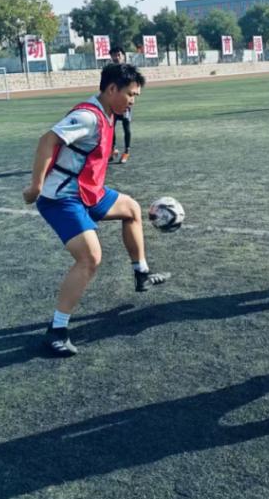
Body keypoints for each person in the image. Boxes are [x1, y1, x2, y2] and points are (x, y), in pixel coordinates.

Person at [22, 62, 170, 357]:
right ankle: (56, 331)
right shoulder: (87, 117)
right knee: (90, 258)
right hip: (62, 198)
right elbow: (47, 140)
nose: (133, 101)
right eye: (130, 94)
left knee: (131, 209)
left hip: (88, 192)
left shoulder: (108, 112)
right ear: (112, 89)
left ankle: (141, 273)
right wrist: (36, 186)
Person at [107, 46, 132, 163]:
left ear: (123, 56)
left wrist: (129, 99)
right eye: (114, 55)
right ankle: (113, 149)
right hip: (112, 102)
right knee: (111, 126)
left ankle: (126, 152)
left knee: (126, 125)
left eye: (118, 55)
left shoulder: (129, 70)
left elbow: (133, 85)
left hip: (125, 102)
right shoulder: (109, 70)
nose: (116, 57)